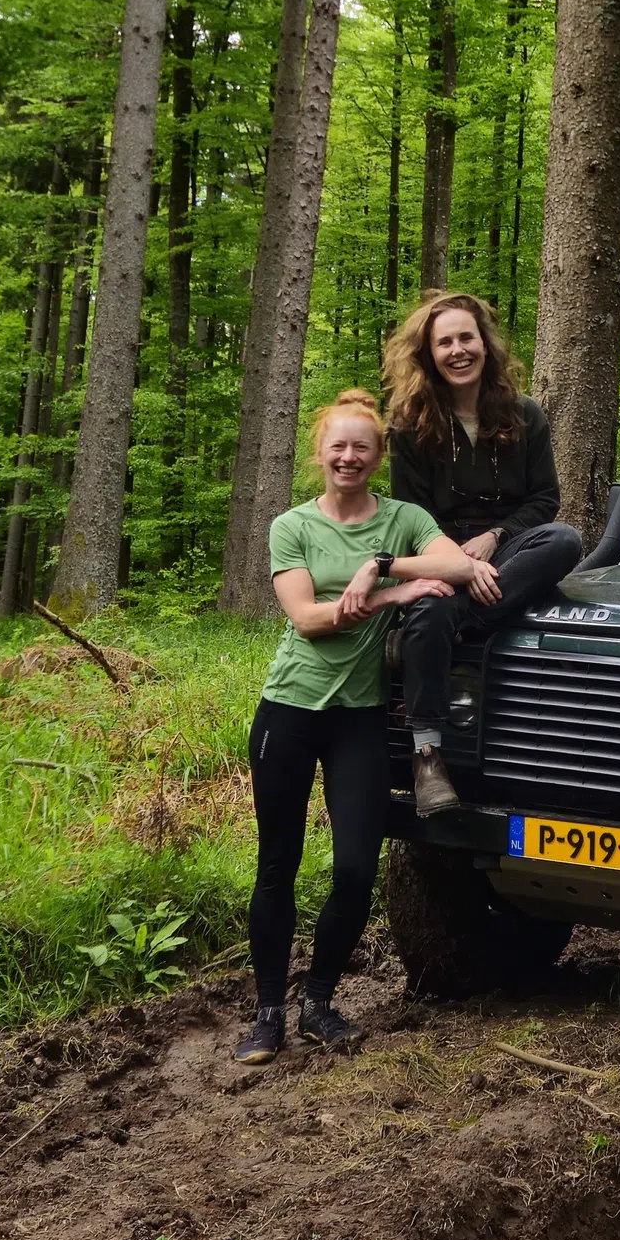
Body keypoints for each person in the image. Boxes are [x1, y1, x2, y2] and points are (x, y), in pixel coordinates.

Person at [236, 387, 486, 1067]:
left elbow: (460, 563)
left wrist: (386, 565)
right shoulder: (292, 526)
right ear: (320, 453)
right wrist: (396, 595)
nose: (348, 457)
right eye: (337, 446)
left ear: (378, 457)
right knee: (276, 868)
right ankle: (267, 1015)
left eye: (362, 448)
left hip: (359, 720)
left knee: (354, 868)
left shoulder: (401, 518)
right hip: (289, 713)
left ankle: (319, 1001)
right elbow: (310, 619)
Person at [384, 291, 583, 816]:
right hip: (438, 550)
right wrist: (459, 563)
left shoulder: (525, 415)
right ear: (428, 353)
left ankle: (455, 622)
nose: (457, 350)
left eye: (465, 338)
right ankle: (428, 757)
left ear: (485, 344)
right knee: (430, 605)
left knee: (564, 540)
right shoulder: (408, 425)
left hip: (509, 546)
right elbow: (410, 516)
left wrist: (494, 537)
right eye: (443, 341)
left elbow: (545, 501)